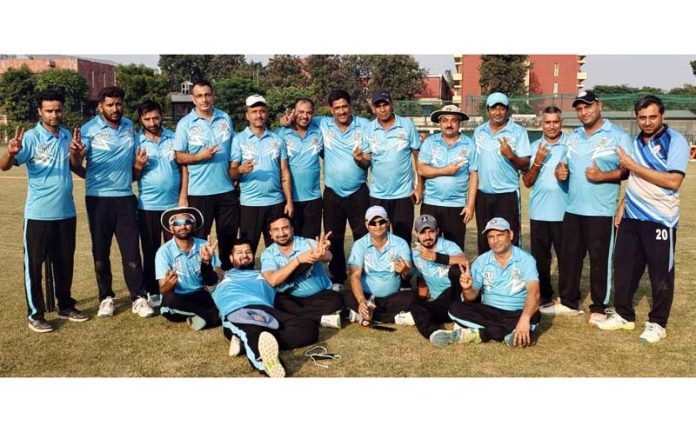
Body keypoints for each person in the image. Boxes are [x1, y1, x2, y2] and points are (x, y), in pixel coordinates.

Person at [595, 95, 689, 343]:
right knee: (624, 268)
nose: (647, 122)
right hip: (632, 217)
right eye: (642, 117)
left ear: (662, 116)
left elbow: (673, 181)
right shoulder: (636, 141)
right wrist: (624, 204)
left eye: (652, 117)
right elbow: (635, 181)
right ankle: (624, 315)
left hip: (661, 220)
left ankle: (658, 323)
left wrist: (631, 165)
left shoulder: (675, 141)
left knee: (660, 274)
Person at [540, 90, 631, 326]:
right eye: (579, 108)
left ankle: (600, 307)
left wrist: (604, 175)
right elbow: (564, 164)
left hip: (601, 210)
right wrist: (561, 171)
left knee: (600, 260)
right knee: (570, 258)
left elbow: (629, 170)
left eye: (587, 106)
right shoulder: (574, 136)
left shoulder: (618, 135)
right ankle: (569, 302)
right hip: (573, 208)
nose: (583, 112)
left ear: (598, 105)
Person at [0, 90, 88, 332]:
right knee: (34, 266)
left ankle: (65, 305)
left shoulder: (67, 135)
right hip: (38, 213)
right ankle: (35, 313)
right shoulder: (30, 137)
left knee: (65, 263)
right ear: (40, 111)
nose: (54, 114)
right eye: (49, 110)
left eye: (57, 110)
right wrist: (10, 152)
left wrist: (76, 155)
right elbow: (4, 166)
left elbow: (75, 166)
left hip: (66, 212)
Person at [73, 86, 154, 319]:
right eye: (110, 105)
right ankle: (106, 298)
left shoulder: (129, 126)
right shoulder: (89, 129)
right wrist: (77, 156)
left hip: (126, 198)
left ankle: (139, 298)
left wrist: (138, 166)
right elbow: (76, 163)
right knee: (101, 252)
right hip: (98, 200)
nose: (115, 109)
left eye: (118, 104)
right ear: (101, 106)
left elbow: (136, 163)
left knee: (131, 252)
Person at [211, 238, 319, 378]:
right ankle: (270, 365)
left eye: (248, 252)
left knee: (308, 328)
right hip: (238, 311)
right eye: (240, 252)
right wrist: (206, 262)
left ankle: (247, 343)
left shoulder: (265, 275)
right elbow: (208, 278)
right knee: (253, 332)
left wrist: (310, 257)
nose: (245, 255)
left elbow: (291, 273)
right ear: (231, 258)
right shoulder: (222, 275)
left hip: (266, 310)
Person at [431, 218, 541, 348]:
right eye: (491, 237)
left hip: (516, 312)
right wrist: (467, 289)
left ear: (510, 235)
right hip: (489, 311)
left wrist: (524, 318)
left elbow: (534, 293)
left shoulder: (526, 259)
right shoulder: (481, 261)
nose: (495, 240)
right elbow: (471, 297)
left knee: (534, 316)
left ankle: (478, 334)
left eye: (500, 235)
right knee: (454, 308)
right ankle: (508, 333)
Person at [173, 79, 238, 270]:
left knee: (228, 236)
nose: (204, 99)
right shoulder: (185, 124)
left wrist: (235, 174)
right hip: (199, 192)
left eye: (207, 94)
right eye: (200, 96)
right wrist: (200, 156)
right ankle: (203, 276)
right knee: (200, 239)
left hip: (226, 189)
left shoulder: (225, 118)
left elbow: (233, 149)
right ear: (193, 99)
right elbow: (179, 157)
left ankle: (227, 275)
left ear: (213, 96)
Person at [314, 89, 371, 291]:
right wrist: (289, 119)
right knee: (333, 236)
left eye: (344, 106)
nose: (341, 111)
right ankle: (337, 278)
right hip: (332, 192)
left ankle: (363, 274)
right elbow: (300, 119)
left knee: (363, 236)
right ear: (331, 109)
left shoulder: (365, 125)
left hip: (358, 191)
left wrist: (362, 160)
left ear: (350, 106)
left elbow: (370, 159)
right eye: (337, 107)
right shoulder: (321, 123)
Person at [135, 100, 188, 307]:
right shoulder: (136, 141)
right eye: (147, 118)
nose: (152, 122)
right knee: (151, 250)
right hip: (147, 205)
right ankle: (152, 290)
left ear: (161, 115)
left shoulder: (173, 138)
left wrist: (183, 195)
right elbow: (132, 173)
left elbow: (184, 167)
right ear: (141, 119)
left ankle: (175, 288)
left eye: (156, 117)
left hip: (173, 206)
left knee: (174, 249)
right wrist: (138, 166)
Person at [230, 94, 293, 254]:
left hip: (276, 202)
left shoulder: (277, 139)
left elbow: (284, 171)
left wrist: (289, 201)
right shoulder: (239, 139)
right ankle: (247, 278)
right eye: (254, 111)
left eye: (262, 111)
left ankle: (279, 279)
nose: (259, 115)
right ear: (247, 115)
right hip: (249, 204)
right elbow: (232, 172)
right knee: (247, 250)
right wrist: (240, 170)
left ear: (267, 113)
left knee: (279, 249)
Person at [260, 214, 343, 329]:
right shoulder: (268, 254)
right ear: (270, 234)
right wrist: (298, 260)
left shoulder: (307, 243)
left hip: (319, 295)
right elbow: (272, 280)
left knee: (336, 300)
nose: (282, 233)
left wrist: (322, 253)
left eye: (285, 228)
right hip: (292, 298)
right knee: (276, 301)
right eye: (276, 230)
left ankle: (302, 316)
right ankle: (320, 318)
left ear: (292, 229)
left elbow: (328, 257)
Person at [472, 91, 531, 253]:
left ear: (507, 110)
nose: (498, 112)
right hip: (483, 195)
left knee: (509, 237)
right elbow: (474, 167)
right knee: (485, 237)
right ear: (487, 110)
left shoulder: (518, 132)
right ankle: (486, 275)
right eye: (493, 108)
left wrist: (511, 155)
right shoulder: (479, 132)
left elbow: (525, 164)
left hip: (507, 194)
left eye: (502, 108)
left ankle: (512, 275)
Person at [362, 89, 422, 245]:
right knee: (379, 239)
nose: (382, 109)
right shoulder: (368, 129)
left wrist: (419, 187)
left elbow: (418, 157)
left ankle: (404, 270)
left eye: (385, 104)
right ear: (373, 109)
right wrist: (359, 159)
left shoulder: (407, 125)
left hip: (403, 194)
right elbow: (366, 161)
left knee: (403, 240)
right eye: (378, 106)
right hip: (378, 195)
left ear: (392, 104)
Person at [521, 106, 568, 307]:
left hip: (565, 212)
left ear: (561, 122)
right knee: (541, 259)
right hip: (539, 212)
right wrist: (538, 162)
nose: (551, 126)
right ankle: (545, 296)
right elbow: (527, 181)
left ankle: (567, 298)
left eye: (555, 122)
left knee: (567, 258)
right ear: (541, 124)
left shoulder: (571, 144)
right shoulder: (533, 148)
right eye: (547, 122)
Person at [417, 104, 478, 250]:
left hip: (456, 206)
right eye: (445, 120)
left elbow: (474, 175)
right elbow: (421, 169)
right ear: (440, 123)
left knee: (455, 249)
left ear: (459, 123)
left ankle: (455, 273)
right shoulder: (430, 142)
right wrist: (446, 170)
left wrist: (470, 205)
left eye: (453, 120)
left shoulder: (469, 144)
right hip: (431, 203)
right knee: (427, 247)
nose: (449, 124)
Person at [344, 206, 416, 326]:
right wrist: (362, 300)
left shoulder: (400, 243)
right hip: (366, 296)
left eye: (381, 222)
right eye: (373, 223)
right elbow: (354, 276)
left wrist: (405, 270)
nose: (378, 227)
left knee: (412, 297)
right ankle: (391, 317)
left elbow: (408, 272)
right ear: (367, 225)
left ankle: (365, 316)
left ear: (387, 222)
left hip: (392, 297)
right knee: (345, 295)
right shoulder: (359, 245)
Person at [155, 207, 221, 330]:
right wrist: (169, 283)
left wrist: (208, 262)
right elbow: (163, 290)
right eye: (177, 223)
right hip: (178, 297)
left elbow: (216, 278)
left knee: (220, 296)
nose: (183, 226)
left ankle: (201, 317)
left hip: (200, 293)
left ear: (194, 225)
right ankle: (211, 316)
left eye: (187, 222)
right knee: (169, 301)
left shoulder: (203, 245)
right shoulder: (163, 252)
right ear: (171, 228)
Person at [408, 215, 469, 344]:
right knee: (415, 306)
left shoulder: (448, 245)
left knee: (457, 270)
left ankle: (460, 316)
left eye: (431, 231)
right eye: (423, 232)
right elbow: (421, 277)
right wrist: (422, 300)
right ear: (416, 233)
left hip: (458, 298)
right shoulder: (415, 253)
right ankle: (434, 333)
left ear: (437, 231)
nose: (427, 236)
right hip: (439, 302)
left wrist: (436, 257)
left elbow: (464, 261)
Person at [276, 98, 323, 239]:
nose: (305, 116)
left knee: (311, 242)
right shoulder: (281, 133)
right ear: (293, 112)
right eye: (301, 112)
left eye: (309, 112)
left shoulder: (318, 132)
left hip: (313, 198)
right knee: (290, 241)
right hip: (288, 199)